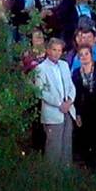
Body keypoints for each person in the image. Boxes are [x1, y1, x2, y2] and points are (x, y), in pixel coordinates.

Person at [34, 39, 76, 167]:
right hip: (53, 113)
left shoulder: (64, 65)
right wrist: (59, 104)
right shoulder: (41, 68)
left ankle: (66, 176)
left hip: (68, 110)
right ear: (48, 51)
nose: (57, 53)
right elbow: (40, 92)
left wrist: (69, 101)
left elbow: (71, 86)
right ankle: (52, 178)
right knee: (54, 148)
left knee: (67, 146)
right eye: (54, 50)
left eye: (59, 50)